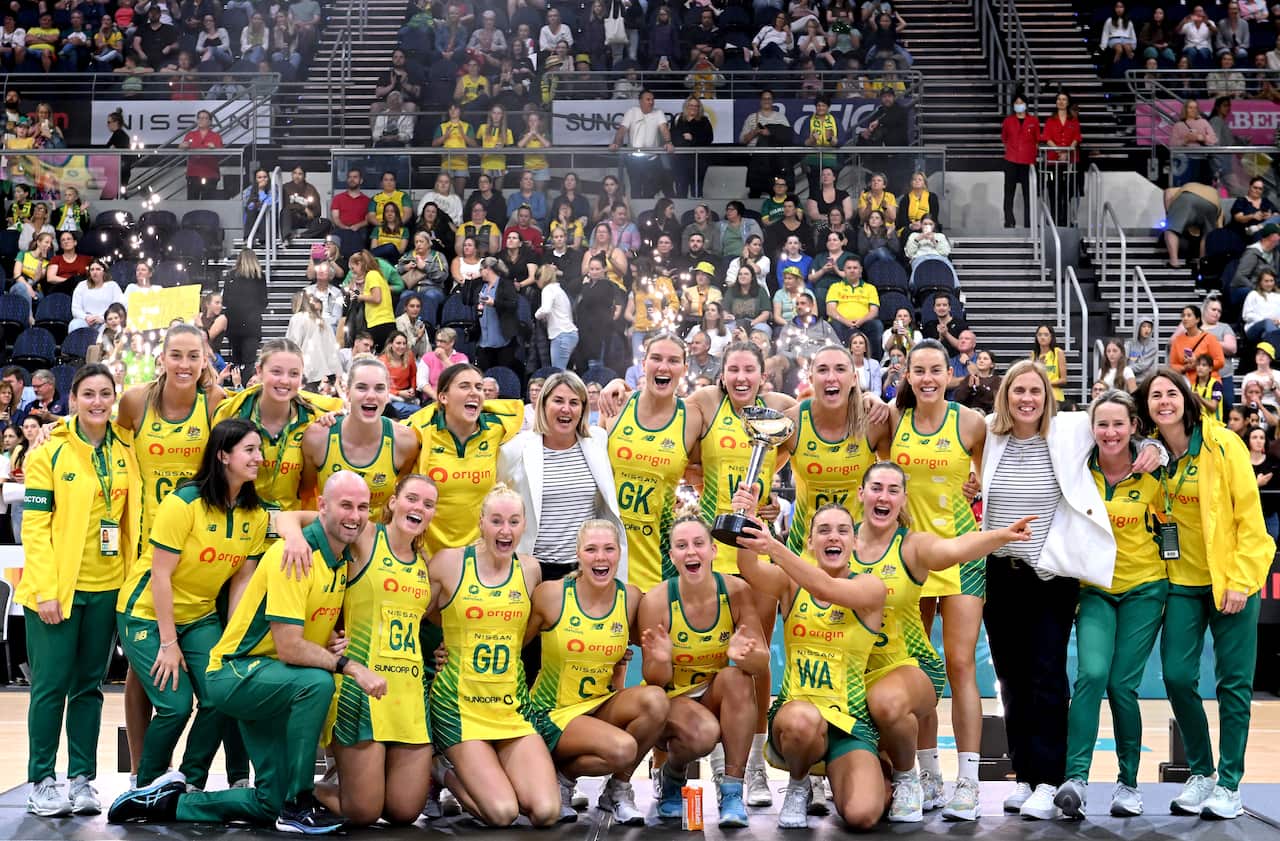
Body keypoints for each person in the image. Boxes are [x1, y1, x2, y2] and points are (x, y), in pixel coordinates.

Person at [735, 465, 1035, 826]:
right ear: (860, 494)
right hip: (842, 686)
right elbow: (755, 568)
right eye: (876, 487)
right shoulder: (822, 556)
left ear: (903, 499)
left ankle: (919, 779)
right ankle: (818, 780)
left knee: (886, 708)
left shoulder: (899, 555)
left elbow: (955, 548)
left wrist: (999, 536)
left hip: (900, 667)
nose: (884, 496)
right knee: (821, 725)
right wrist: (747, 519)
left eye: (894, 490)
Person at [107, 472, 387, 833]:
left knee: (268, 800)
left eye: (362, 507)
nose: (355, 515)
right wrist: (350, 666)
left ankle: (168, 803)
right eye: (345, 505)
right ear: (321, 507)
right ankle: (299, 803)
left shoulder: (339, 556)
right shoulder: (296, 555)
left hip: (273, 681)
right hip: (236, 674)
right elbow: (288, 646)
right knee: (318, 682)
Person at [980, 361, 1164, 820]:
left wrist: (1154, 447)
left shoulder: (1069, 429)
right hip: (1000, 575)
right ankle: (1025, 777)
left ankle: (1050, 778)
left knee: (1046, 679)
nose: (1027, 398)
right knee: (1011, 680)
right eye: (1018, 390)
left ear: (1048, 396)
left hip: (1051, 577)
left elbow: (1124, 418)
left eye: (1035, 391)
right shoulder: (989, 433)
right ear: (1005, 395)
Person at [1136, 370, 1272, 819]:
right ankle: (1202, 772)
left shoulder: (1222, 444)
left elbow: (1250, 520)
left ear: (1186, 397)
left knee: (1233, 684)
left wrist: (1241, 577)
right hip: (1180, 583)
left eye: (1171, 392)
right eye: (1155, 396)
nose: (1164, 401)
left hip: (1231, 581)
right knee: (1176, 676)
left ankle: (1230, 784)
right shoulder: (1151, 455)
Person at [115, 419, 268, 793]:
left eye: (259, 450)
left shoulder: (256, 514)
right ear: (223, 455)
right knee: (175, 706)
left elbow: (242, 581)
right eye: (249, 450)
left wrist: (233, 641)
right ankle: (145, 784)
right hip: (147, 615)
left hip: (199, 616)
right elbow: (161, 575)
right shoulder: (184, 502)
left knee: (219, 697)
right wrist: (169, 644)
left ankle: (190, 783)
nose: (258, 458)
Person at [277, 475, 437, 826]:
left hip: (409, 695)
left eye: (428, 504)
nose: (419, 508)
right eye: (412, 498)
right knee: (364, 812)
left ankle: (342, 779)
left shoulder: (426, 561)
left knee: (404, 811)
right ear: (393, 502)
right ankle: (291, 791)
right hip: (361, 690)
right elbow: (288, 518)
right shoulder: (366, 537)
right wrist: (292, 539)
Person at [20, 364, 142, 817]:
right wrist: (48, 590)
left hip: (108, 588)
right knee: (50, 688)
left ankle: (82, 780)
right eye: (88, 393)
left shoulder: (125, 449)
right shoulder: (48, 452)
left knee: (89, 688)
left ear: (114, 398)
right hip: (55, 593)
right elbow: (34, 529)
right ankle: (41, 780)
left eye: (105, 394)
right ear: (73, 399)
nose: (97, 402)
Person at [1054, 391, 1168, 819]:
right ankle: (1076, 780)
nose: (1110, 432)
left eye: (1119, 424)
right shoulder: (1079, 472)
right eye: (1102, 424)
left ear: (1134, 427)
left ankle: (1128, 784)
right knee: (1092, 675)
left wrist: (1157, 450)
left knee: (1122, 684)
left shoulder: (1157, 472)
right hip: (1095, 587)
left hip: (1144, 588)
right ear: (1092, 429)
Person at [426, 484, 560, 827]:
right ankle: (442, 771)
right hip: (460, 705)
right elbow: (417, 613)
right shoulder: (450, 563)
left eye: (514, 521)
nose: (505, 530)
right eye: (497, 521)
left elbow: (523, 635)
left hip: (509, 705)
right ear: (481, 522)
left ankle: (490, 771)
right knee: (502, 813)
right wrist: (440, 647)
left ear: (524, 525)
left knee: (545, 812)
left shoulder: (530, 570)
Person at [524, 520, 667, 823]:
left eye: (609, 549)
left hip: (599, 705)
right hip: (553, 711)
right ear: (578, 554)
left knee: (655, 700)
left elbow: (650, 657)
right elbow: (511, 644)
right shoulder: (551, 595)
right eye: (591, 549)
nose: (600, 557)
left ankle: (617, 790)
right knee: (622, 748)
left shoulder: (630, 598)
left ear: (619, 554)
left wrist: (663, 656)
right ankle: (562, 777)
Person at [639, 516, 767, 828]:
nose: (691, 552)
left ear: (712, 550)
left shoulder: (736, 590)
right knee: (703, 734)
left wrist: (745, 656)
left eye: (698, 544)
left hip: (714, 695)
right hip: (673, 701)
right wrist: (661, 659)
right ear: (672, 557)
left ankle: (732, 790)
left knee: (738, 679)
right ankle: (672, 774)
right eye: (681, 546)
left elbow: (762, 662)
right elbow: (655, 683)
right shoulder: (657, 600)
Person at [600, 334, 697, 591]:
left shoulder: (692, 417)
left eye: (673, 360)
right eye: (656, 358)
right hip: (605, 559)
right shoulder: (616, 405)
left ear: (685, 369)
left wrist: (766, 500)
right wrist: (616, 381)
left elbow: (712, 472)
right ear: (643, 364)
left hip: (658, 561)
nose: (663, 367)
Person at [213, 339, 343, 520]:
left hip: (290, 532)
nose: (285, 381)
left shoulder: (316, 422)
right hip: (235, 529)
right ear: (259, 371)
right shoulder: (230, 414)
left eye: (294, 374)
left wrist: (336, 417)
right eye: (276, 371)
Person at [406, 362, 522, 554]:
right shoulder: (420, 432)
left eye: (479, 387)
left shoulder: (498, 429)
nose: (475, 392)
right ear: (443, 397)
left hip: (478, 556)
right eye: (464, 386)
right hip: (426, 554)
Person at [302, 358, 420, 522]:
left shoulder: (405, 441)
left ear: (387, 395)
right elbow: (305, 493)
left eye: (379, 388)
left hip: (377, 540)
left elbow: (400, 497)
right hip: (329, 539)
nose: (371, 395)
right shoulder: (318, 437)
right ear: (347, 392)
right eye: (361, 387)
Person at [609, 89, 674, 200]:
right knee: (636, 188)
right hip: (634, 159)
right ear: (640, 101)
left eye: (652, 100)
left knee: (651, 189)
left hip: (652, 159)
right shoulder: (632, 112)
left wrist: (668, 142)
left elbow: (664, 129)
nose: (651, 102)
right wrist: (616, 143)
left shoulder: (658, 113)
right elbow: (622, 130)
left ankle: (647, 213)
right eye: (648, 99)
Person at [223, 249, 269, 369]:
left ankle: (237, 385)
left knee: (236, 360)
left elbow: (225, 300)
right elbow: (264, 301)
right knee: (249, 362)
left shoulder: (231, 276)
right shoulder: (260, 277)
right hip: (252, 325)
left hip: (234, 323)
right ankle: (247, 384)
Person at [1001, 93, 1039, 228]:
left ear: (1026, 105)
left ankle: (1029, 223)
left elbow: (1037, 139)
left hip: (1028, 161)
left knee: (1028, 195)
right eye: (1016, 103)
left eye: (1021, 103)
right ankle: (1009, 221)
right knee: (1009, 193)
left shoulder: (1033, 121)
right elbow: (1004, 138)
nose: (1019, 105)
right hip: (1011, 160)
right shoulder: (1008, 121)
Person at [1169, 305, 1225, 380]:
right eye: (1183, 316)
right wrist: (1185, 368)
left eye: (1189, 316)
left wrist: (1199, 364)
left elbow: (1220, 361)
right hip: (1187, 384)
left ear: (1197, 319)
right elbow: (1173, 365)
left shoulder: (1210, 338)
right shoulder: (1177, 340)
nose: (1185, 318)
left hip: (1207, 384)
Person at [180, 110, 224, 200]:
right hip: (193, 174)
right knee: (192, 203)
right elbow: (181, 146)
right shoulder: (190, 134)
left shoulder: (216, 136)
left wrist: (214, 148)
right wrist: (183, 146)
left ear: (210, 122)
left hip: (210, 174)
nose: (201, 120)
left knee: (208, 204)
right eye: (199, 118)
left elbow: (221, 153)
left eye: (204, 118)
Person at [1032, 323, 1068, 406]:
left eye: (1046, 335)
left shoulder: (1058, 352)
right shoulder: (1034, 354)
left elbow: (1063, 380)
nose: (1042, 337)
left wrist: (1046, 383)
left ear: (1051, 337)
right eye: (1039, 335)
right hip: (1038, 396)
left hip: (1055, 396)